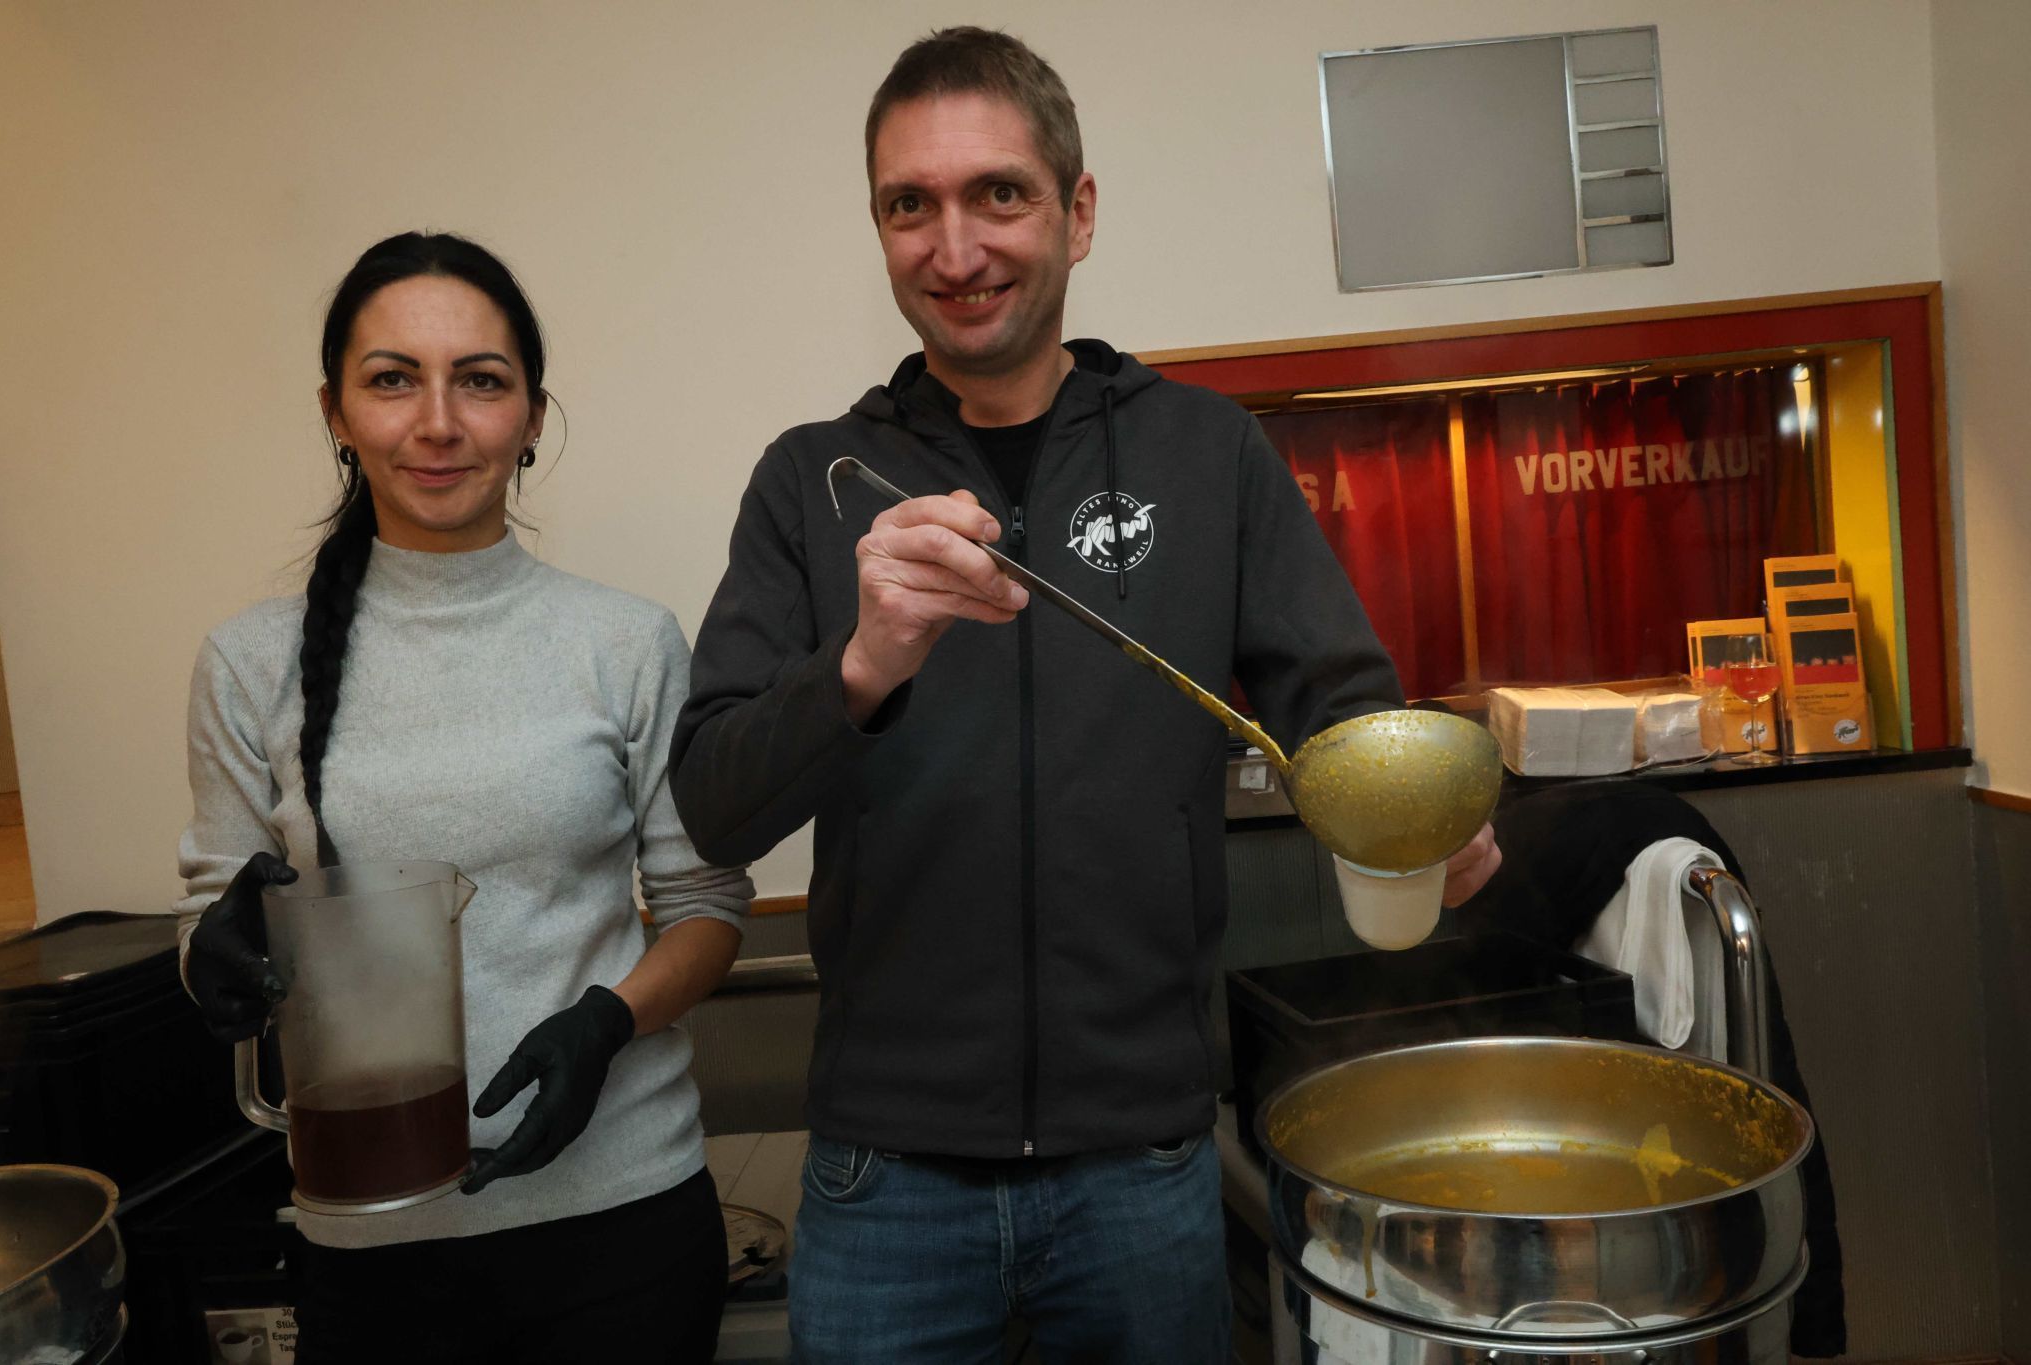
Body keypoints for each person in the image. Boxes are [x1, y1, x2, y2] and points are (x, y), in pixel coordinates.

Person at [668, 28, 1500, 1363]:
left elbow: (1337, 704)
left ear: (1079, 210)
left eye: (997, 193)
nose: (954, 248)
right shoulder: (811, 479)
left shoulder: (1206, 450)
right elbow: (714, 805)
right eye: (909, 205)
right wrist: (864, 660)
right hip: (885, 1176)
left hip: (1143, 1161)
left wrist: (1413, 809)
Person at [175, 232, 749, 1364]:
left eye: (480, 381)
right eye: (392, 379)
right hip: (370, 1236)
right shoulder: (248, 663)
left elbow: (707, 909)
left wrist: (609, 1022)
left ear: (532, 417)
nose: (437, 423)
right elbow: (211, 917)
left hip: (623, 1219)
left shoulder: (627, 642)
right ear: (337, 413)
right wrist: (218, 959)